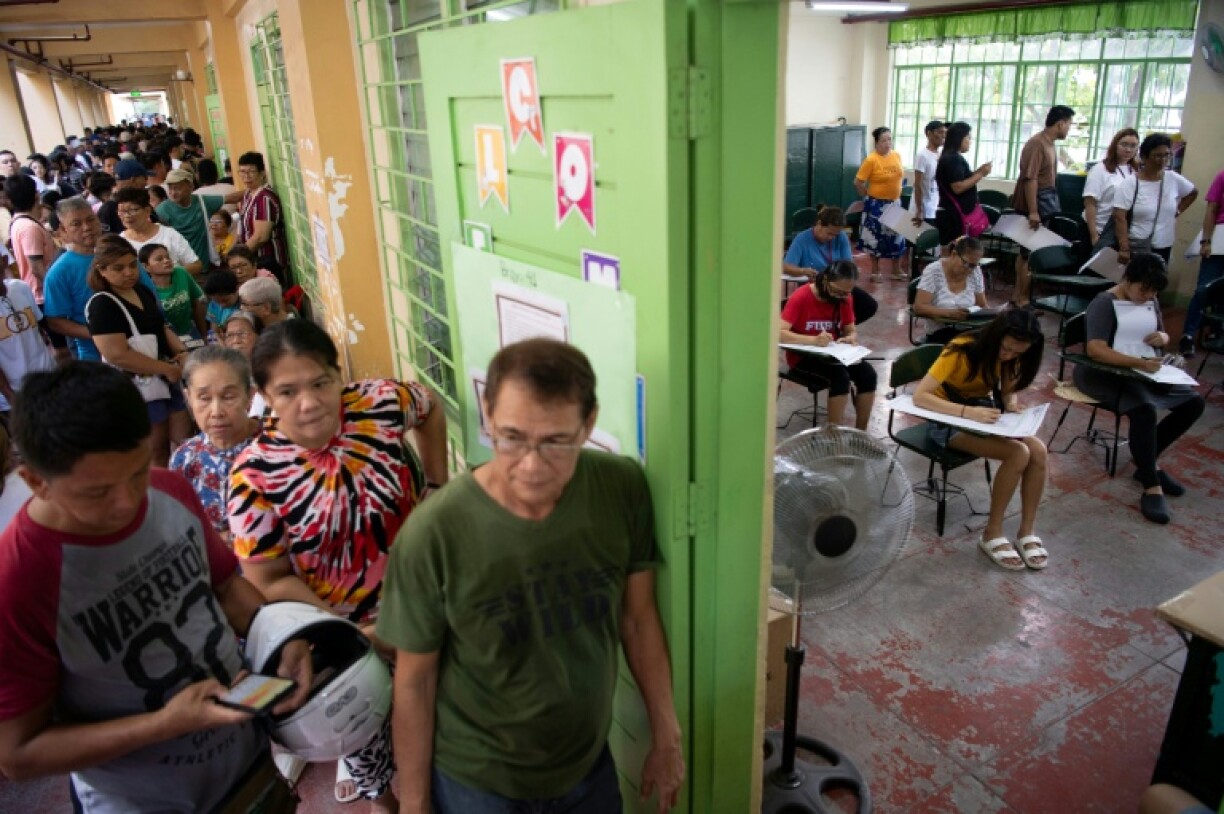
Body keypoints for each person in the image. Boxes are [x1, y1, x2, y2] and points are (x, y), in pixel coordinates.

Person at [378, 337, 685, 814]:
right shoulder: (434, 533)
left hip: (588, 768)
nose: (532, 466)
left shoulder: (620, 488)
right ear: (487, 415)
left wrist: (667, 737)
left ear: (589, 424)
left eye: (557, 442)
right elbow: (415, 682)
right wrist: (415, 806)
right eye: (512, 438)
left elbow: (639, 620)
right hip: (478, 782)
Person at [0, 362, 311, 813]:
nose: (128, 503)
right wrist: (163, 725)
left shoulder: (169, 488)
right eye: (97, 493)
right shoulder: (19, 581)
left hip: (247, 766)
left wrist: (278, 635)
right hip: (143, 800)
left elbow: (225, 589)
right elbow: (18, 754)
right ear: (35, 482)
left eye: (137, 472)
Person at [229, 318, 449, 811]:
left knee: (443, 738)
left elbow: (429, 407)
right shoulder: (253, 476)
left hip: (430, 606)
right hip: (349, 642)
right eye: (286, 391)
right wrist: (348, 635)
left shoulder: (379, 403)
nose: (308, 402)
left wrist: (436, 485)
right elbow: (268, 578)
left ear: (337, 373)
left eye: (321, 382)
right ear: (262, 394)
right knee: (373, 749)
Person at [912, 308, 1049, 570]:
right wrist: (967, 412)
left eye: (1017, 353)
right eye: (1006, 348)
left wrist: (1011, 403)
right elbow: (921, 396)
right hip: (947, 418)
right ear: (996, 335)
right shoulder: (960, 348)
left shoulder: (1012, 355)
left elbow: (1007, 392)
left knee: (1038, 451)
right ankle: (992, 532)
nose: (1008, 355)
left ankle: (1026, 531)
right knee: (1018, 453)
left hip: (981, 412)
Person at [1076, 254, 1205, 525]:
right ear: (1128, 279)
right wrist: (1139, 363)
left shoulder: (1150, 301)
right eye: (1143, 289)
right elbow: (1095, 350)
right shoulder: (1104, 302)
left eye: (1154, 292)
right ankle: (1151, 482)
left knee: (1193, 403)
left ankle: (1146, 459)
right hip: (1101, 374)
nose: (1148, 296)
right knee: (1144, 409)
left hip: (1139, 372)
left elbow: (1160, 333)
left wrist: (1164, 337)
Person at [85, 235, 191, 468]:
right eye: (118, 268)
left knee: (185, 441)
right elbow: (117, 354)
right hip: (139, 387)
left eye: (132, 265)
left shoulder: (142, 291)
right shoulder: (102, 304)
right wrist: (166, 369)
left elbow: (160, 327)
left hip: (167, 375)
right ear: (102, 270)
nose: (128, 272)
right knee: (156, 451)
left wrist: (182, 352)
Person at [43, 198, 155, 362]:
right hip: (95, 356)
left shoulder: (120, 253)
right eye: (76, 224)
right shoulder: (59, 272)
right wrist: (103, 333)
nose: (87, 227)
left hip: (145, 343)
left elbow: (150, 295)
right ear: (63, 229)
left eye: (90, 220)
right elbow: (55, 322)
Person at [171, 346, 260, 540]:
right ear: (188, 399)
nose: (216, 411)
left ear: (250, 395)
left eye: (228, 397)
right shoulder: (184, 458)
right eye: (204, 398)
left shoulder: (277, 444)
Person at [779, 259, 877, 430]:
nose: (840, 296)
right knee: (840, 378)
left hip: (833, 354)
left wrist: (851, 337)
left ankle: (861, 432)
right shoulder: (801, 297)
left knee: (868, 374)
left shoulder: (845, 298)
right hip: (803, 357)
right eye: (836, 291)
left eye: (845, 293)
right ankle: (833, 435)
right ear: (825, 281)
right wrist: (812, 340)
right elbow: (779, 333)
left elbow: (850, 328)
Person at [1010, 105, 1075, 306]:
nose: (1068, 130)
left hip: (1044, 201)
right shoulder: (1037, 144)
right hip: (1034, 205)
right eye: (1069, 125)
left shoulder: (1050, 143)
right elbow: (1030, 180)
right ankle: (1021, 299)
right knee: (1028, 253)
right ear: (1061, 123)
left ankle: (1019, 296)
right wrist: (1033, 211)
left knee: (1029, 252)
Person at [782, 206, 879, 326]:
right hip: (816, 287)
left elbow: (847, 264)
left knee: (869, 306)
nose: (831, 238)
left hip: (839, 285)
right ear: (819, 224)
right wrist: (803, 271)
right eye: (829, 233)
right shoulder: (802, 239)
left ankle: (839, 328)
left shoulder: (841, 237)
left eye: (835, 235)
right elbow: (786, 267)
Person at [1113, 133, 1197, 267]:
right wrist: (1124, 247)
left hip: (1164, 244)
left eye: (1167, 155)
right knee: (1136, 285)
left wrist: (1178, 210)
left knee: (1157, 284)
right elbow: (1119, 216)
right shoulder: (1131, 183)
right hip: (1137, 244)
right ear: (1144, 157)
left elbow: (1193, 192)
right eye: (1158, 155)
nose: (1163, 160)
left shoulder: (1173, 178)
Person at [155, 166, 242, 271]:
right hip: (180, 271)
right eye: (170, 188)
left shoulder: (202, 202)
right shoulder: (162, 210)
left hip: (205, 268)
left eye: (177, 188)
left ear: (190, 187)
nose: (173, 193)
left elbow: (233, 198)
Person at [913, 235, 991, 345]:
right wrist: (950, 313)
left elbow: (982, 305)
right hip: (939, 333)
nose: (969, 269)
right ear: (954, 254)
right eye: (965, 263)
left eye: (973, 265)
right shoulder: (933, 271)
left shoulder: (975, 271)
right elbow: (919, 307)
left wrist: (992, 315)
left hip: (968, 330)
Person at [1180, 166, 1224, 357]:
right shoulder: (1222, 175)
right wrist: (1205, 241)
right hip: (1220, 240)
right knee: (1203, 290)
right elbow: (1211, 210)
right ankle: (1188, 335)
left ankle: (1217, 332)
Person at [854, 127, 908, 281]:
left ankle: (896, 269)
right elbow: (858, 182)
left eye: (889, 139)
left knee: (897, 236)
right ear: (876, 142)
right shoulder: (871, 159)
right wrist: (867, 195)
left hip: (895, 203)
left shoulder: (896, 155)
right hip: (877, 205)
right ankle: (875, 271)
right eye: (883, 140)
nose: (887, 143)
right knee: (875, 238)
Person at [0, 274, 55, 417]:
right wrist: (9, 395)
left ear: (4, 262)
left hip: (48, 378)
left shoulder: (20, 287)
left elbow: (40, 326)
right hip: (16, 394)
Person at [116, 186, 203, 277]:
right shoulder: (120, 242)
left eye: (132, 210)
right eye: (122, 211)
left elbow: (195, 265)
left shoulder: (168, 234)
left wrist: (168, 273)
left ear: (147, 210)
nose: (127, 216)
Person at [5, 174, 59, 310]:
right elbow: (37, 268)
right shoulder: (28, 227)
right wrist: (58, 291)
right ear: (36, 195)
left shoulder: (20, 222)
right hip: (43, 296)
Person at [934, 121, 992, 246]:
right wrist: (980, 174)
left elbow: (962, 180)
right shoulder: (952, 158)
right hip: (953, 216)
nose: (970, 141)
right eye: (968, 137)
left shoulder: (952, 157)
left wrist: (979, 171)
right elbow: (958, 187)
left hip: (954, 214)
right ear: (959, 138)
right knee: (955, 253)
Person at [139, 243, 208, 342]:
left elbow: (197, 304)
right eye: (159, 259)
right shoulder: (145, 289)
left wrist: (204, 335)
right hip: (167, 340)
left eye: (167, 257)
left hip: (190, 331)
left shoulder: (181, 273)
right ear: (146, 267)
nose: (166, 261)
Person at [237, 152, 289, 281]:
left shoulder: (264, 198)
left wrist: (238, 257)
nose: (246, 176)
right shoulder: (249, 194)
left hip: (268, 264)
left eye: (251, 172)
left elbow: (260, 237)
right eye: (242, 172)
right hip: (255, 262)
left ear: (262, 173)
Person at [1082, 128, 1139, 247]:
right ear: (1115, 145)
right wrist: (1094, 235)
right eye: (1124, 144)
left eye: (1133, 145)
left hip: (1122, 230)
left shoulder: (1135, 170)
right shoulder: (1100, 169)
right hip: (1099, 229)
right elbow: (1090, 203)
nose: (1128, 149)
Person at [97, 157, 151, 235]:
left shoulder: (142, 200)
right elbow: (106, 241)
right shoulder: (108, 209)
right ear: (134, 180)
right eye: (144, 178)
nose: (146, 183)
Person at [911, 120, 945, 227]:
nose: (943, 136)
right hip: (924, 208)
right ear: (929, 134)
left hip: (934, 206)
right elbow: (917, 184)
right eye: (939, 132)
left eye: (944, 133)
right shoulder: (922, 155)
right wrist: (919, 210)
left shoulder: (939, 155)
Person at [205, 268, 241, 335]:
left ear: (237, 289)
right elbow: (214, 331)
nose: (222, 305)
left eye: (225, 300)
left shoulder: (245, 305)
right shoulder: (214, 304)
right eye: (217, 301)